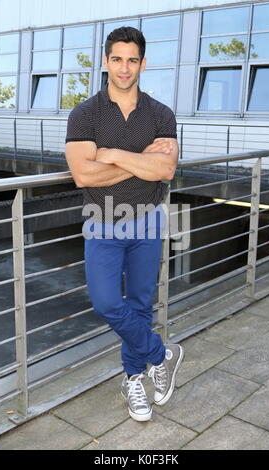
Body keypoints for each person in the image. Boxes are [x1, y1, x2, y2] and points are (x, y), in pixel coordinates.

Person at [65, 26, 184, 422]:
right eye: (117, 58)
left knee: (139, 305)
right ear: (105, 61)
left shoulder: (160, 113)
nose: (124, 67)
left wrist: (112, 153)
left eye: (132, 59)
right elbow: (84, 175)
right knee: (106, 302)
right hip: (103, 220)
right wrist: (139, 160)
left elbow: (165, 169)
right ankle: (160, 353)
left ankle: (134, 378)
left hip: (148, 221)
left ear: (143, 64)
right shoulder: (85, 115)